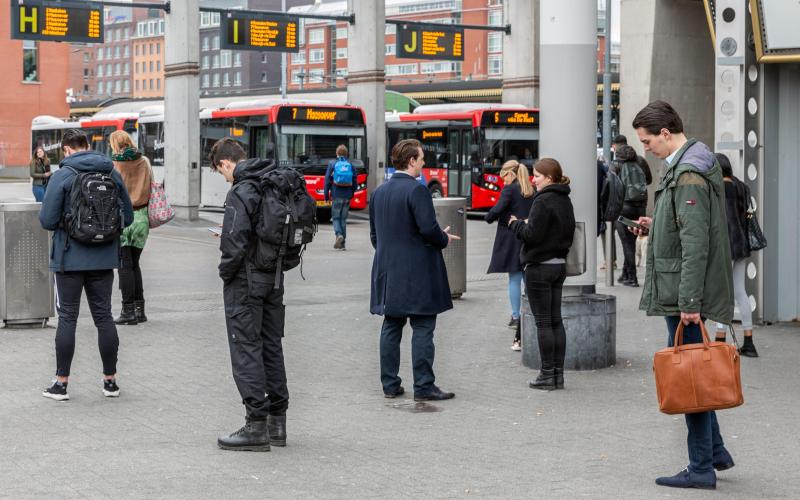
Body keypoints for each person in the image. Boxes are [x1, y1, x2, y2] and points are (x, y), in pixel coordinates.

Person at [631, 100, 735, 490]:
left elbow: (695, 243)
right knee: (698, 373)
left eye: (647, 141)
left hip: (683, 293)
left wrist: (690, 303)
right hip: (681, 286)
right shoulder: (690, 164)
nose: (646, 148)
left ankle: (702, 466)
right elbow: (686, 227)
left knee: (690, 380)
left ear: (666, 133)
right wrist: (653, 224)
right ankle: (718, 452)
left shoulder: (688, 171)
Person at [39, 128, 134, 401]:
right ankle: (110, 382)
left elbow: (46, 220)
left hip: (69, 258)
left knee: (67, 317)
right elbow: (126, 216)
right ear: (89, 145)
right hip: (104, 258)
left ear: (67, 150)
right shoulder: (111, 172)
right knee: (104, 317)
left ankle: (61, 384)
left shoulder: (63, 175)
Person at [209, 138, 290, 452]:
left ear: (226, 163)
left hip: (245, 280)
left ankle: (256, 425)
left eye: (222, 173)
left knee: (245, 347)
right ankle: (278, 422)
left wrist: (225, 272)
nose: (225, 178)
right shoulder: (272, 180)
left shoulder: (242, 189)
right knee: (271, 345)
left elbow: (235, 242)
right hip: (274, 276)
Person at [370, 138, 459, 401]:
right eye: (421, 159)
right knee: (423, 326)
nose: (423, 164)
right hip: (418, 271)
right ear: (411, 161)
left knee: (391, 325)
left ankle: (390, 384)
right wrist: (443, 238)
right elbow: (428, 229)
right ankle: (423, 385)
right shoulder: (417, 191)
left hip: (387, 269)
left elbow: (375, 236)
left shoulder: (379, 192)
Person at [509, 159, 575, 391]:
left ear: (548, 177)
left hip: (540, 268)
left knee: (544, 323)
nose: (532, 179)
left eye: (536, 176)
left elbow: (532, 234)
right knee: (556, 321)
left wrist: (516, 224)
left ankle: (547, 374)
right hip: (558, 266)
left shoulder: (543, 200)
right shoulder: (564, 199)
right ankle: (557, 374)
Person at [484, 160, 535, 351]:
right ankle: (528, 311)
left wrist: (488, 217)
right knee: (526, 275)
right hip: (527, 235)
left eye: (502, 175)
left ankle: (515, 316)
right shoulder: (530, 189)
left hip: (511, 236)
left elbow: (497, 209)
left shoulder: (510, 190)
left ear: (509, 174)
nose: (501, 178)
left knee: (514, 276)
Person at [713, 153, 758, 357]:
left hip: (725, 246)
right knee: (740, 291)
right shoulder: (742, 187)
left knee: (723, 294)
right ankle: (748, 341)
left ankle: (720, 341)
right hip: (741, 245)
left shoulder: (717, 189)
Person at [108, 131, 152, 325]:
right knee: (135, 264)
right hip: (142, 218)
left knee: (124, 266)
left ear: (115, 145)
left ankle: (127, 311)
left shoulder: (115, 165)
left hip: (124, 217)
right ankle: (139, 310)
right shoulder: (145, 161)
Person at [612, 144, 649, 287]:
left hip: (623, 207)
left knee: (627, 243)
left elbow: (611, 183)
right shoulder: (641, 162)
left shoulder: (616, 164)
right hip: (640, 207)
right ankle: (625, 273)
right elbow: (649, 180)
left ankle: (632, 277)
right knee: (632, 240)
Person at [324, 145, 355, 250]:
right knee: (343, 219)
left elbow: (327, 180)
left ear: (337, 153)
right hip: (347, 195)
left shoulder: (333, 164)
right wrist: (352, 192)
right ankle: (343, 245)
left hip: (336, 194)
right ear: (346, 154)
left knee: (336, 218)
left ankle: (339, 235)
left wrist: (326, 195)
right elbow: (355, 180)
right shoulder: (350, 164)